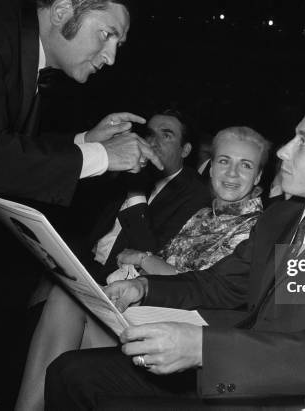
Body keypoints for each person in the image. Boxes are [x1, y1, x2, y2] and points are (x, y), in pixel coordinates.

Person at [44, 93, 305, 410]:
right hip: (223, 375)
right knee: (70, 372)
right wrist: (144, 288)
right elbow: (219, 285)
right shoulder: (282, 218)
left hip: (282, 398)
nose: (282, 151)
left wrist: (204, 348)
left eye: (303, 141)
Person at [15, 126, 270, 411]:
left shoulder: (259, 227)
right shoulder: (203, 213)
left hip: (184, 334)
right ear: (210, 168)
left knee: (65, 322)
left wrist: (142, 262)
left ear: (258, 176)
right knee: (63, 304)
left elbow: (202, 287)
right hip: (150, 309)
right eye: (224, 161)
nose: (232, 173)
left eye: (245, 165)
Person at [0, 0, 162, 205]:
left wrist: (86, 140)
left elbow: (17, 144)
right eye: (105, 35)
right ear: (61, 11)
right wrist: (102, 155)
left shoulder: (26, 49)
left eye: (118, 45)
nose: (111, 58)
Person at [80, 109, 211, 281]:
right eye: (150, 134)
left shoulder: (196, 194)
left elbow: (152, 255)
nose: (152, 142)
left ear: (185, 150)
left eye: (166, 135)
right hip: (86, 265)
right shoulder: (129, 169)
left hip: (124, 284)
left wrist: (135, 191)